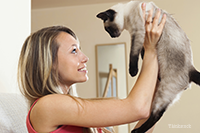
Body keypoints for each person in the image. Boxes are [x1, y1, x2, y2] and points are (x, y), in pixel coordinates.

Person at [18, 3, 166, 133]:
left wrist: (159, 88)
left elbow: (142, 111)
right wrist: (150, 50)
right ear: (49, 62)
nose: (85, 58)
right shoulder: (47, 106)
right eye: (74, 51)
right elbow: (137, 108)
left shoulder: (78, 114)